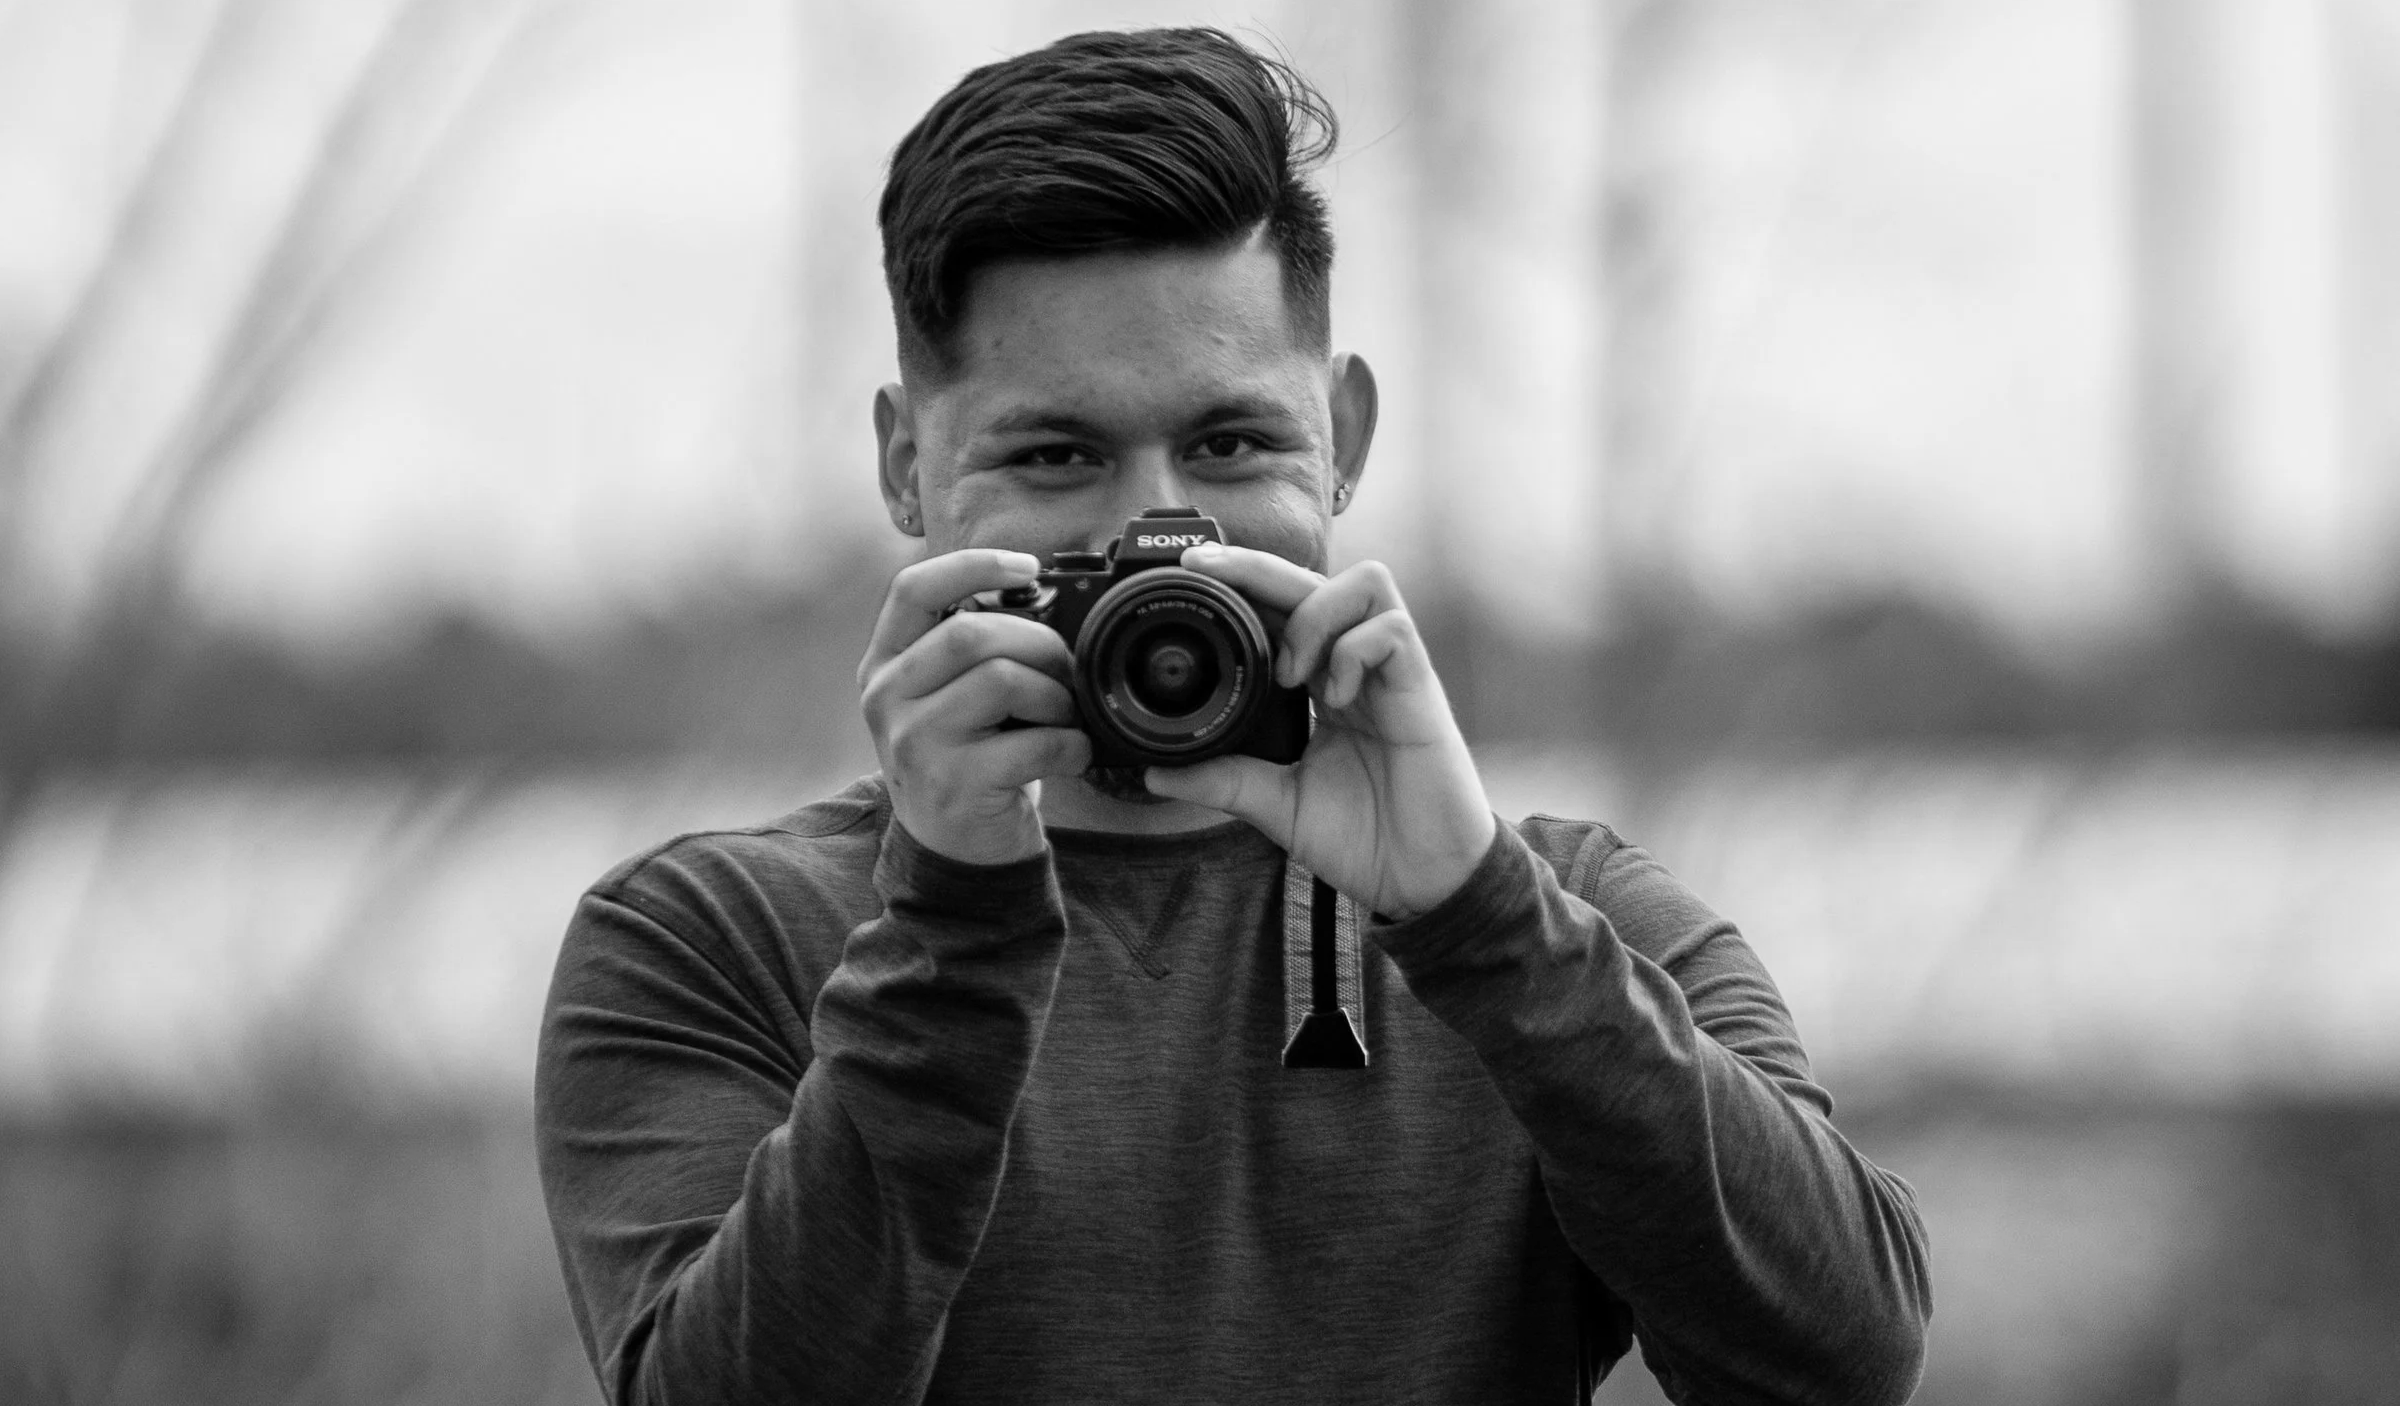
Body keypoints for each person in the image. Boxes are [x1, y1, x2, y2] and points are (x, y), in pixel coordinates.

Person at [535, 26, 1930, 1406]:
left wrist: (1479, 917)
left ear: (1345, 438)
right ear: (909, 464)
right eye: (1057, 455)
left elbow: (1843, 1363)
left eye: (1231, 442)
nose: (1164, 530)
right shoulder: (710, 940)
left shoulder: (1563, 923)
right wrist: (953, 923)